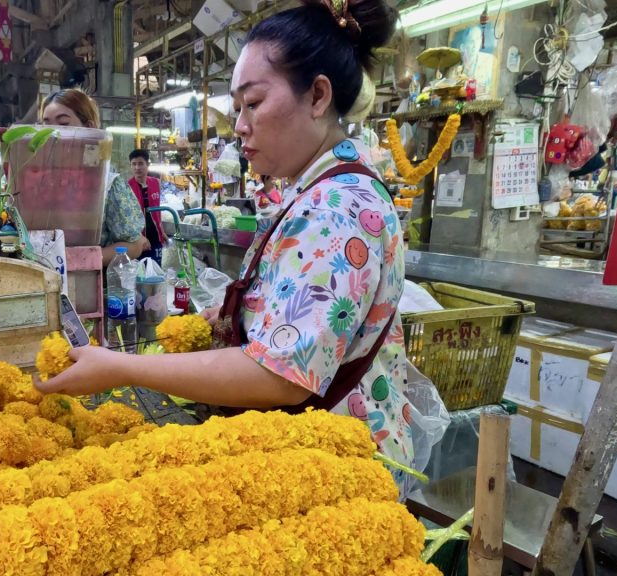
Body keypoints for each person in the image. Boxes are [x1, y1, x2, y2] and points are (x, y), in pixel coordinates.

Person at [36, 0, 415, 492]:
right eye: (237, 108)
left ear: (318, 96)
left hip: (339, 477)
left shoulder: (337, 208)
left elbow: (280, 375)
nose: (238, 126)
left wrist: (123, 368)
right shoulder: (311, 190)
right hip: (311, 455)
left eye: (252, 103)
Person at [41, 89, 147, 265]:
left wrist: (79, 260)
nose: (53, 133)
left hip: (89, 285)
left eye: (64, 124)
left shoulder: (107, 183)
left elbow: (135, 244)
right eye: (45, 125)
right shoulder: (36, 178)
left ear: (88, 128)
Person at [127, 149, 166, 262]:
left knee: (157, 269)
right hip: (138, 239)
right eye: (133, 164)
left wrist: (162, 231)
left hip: (156, 236)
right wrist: (140, 237)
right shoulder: (127, 187)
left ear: (147, 165)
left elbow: (157, 211)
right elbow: (128, 218)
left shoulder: (156, 183)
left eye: (140, 163)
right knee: (142, 272)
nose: (137, 168)